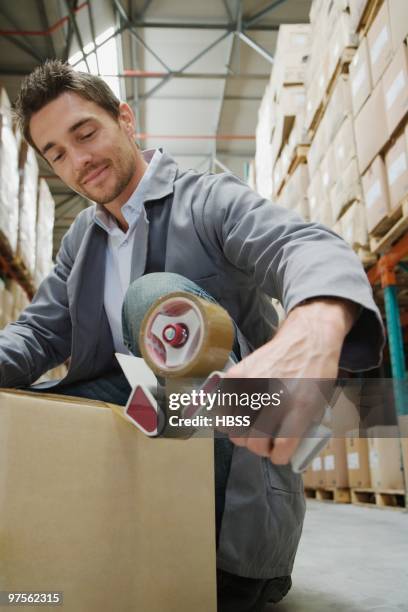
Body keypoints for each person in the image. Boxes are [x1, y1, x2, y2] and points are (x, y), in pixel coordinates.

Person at [1, 60, 384, 611]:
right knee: (32, 415)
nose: (78, 160)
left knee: (153, 297)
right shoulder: (81, 241)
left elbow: (301, 244)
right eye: (57, 153)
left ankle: (213, 556)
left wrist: (318, 320)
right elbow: (36, 333)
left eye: (85, 133)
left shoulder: (207, 199)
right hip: (138, 430)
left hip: (228, 475)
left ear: (125, 120)